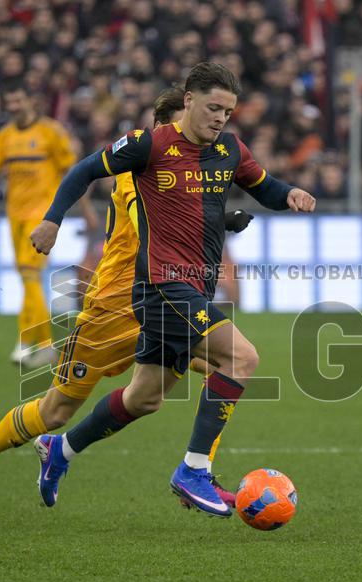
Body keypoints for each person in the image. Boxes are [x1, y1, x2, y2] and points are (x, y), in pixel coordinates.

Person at [0, 86, 254, 514]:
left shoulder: (189, 172)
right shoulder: (139, 170)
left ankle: (190, 471)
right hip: (111, 312)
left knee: (179, 385)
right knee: (56, 409)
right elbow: (153, 220)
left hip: (163, 302)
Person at [31, 62, 314, 517]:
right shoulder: (149, 144)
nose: (221, 118)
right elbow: (84, 170)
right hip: (162, 286)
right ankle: (194, 470)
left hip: (194, 289)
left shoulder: (229, 150)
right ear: (188, 101)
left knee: (145, 397)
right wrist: (52, 220)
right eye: (213, 107)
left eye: (228, 111)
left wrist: (291, 195)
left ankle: (59, 450)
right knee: (242, 358)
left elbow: (264, 187)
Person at [0, 82, 97, 366]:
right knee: (27, 278)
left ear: (30, 102)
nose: (14, 107)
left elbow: (74, 175)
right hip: (14, 215)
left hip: (42, 217)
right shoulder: (4, 137)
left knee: (29, 273)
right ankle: (26, 342)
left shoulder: (50, 132)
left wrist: (86, 209)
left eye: (18, 100)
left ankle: (43, 344)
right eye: (9, 102)